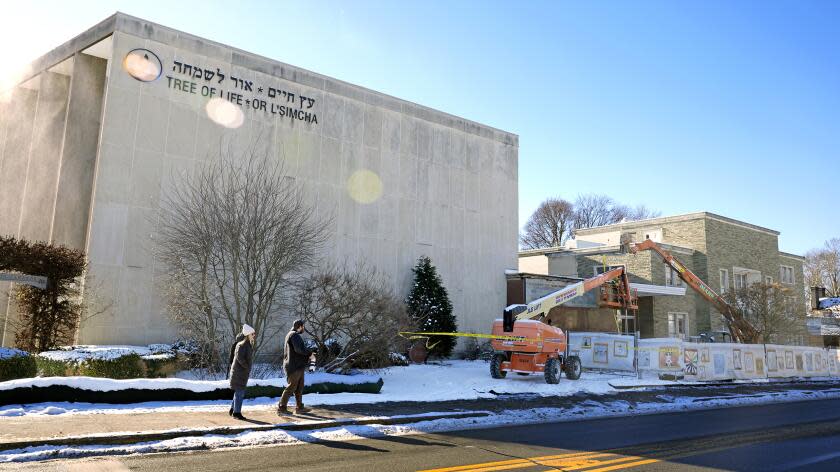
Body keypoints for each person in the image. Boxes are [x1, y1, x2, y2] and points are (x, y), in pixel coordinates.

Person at [277, 319, 315, 415]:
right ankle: (281, 408)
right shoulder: (294, 335)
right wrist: (310, 354)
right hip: (294, 366)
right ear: (300, 326)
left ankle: (299, 407)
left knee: (299, 387)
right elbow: (299, 349)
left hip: (296, 366)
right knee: (292, 387)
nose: (304, 329)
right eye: (303, 327)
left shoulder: (291, 335)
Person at [229, 324, 255, 420]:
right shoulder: (242, 345)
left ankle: (233, 409)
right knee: (240, 393)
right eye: (253, 334)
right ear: (248, 334)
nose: (254, 335)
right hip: (239, 373)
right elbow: (240, 358)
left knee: (238, 392)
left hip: (241, 373)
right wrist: (247, 367)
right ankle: (237, 413)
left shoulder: (247, 344)